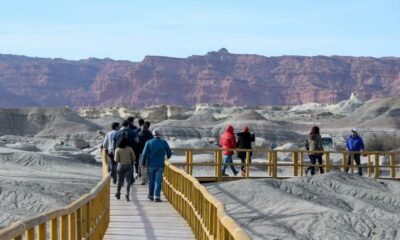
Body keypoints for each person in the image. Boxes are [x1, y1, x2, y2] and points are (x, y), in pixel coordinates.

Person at [141, 128, 172, 202]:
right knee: (158, 181)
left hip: (150, 165)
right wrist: (166, 157)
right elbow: (169, 153)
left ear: (153, 134)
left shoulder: (148, 142)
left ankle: (151, 195)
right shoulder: (164, 142)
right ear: (160, 134)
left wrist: (143, 163)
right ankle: (157, 196)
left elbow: (144, 154)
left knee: (151, 181)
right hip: (160, 165)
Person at [114, 136, 136, 201]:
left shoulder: (117, 149)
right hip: (128, 166)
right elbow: (133, 158)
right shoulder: (130, 149)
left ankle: (118, 193)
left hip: (120, 165)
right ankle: (127, 194)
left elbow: (116, 160)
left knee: (119, 180)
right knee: (128, 181)